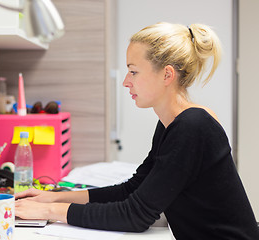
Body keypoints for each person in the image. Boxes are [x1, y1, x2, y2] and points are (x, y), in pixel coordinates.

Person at [15, 22, 259, 239]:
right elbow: (132, 190)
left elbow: (136, 215)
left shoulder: (193, 126)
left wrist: (48, 211)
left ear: (167, 74)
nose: (125, 82)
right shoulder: (173, 122)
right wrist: (55, 197)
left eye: (133, 71)